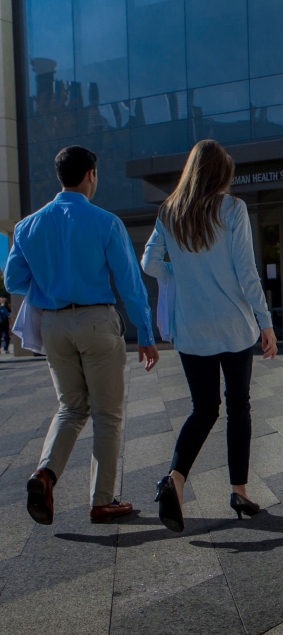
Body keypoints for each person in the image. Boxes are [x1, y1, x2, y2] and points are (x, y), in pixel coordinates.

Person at [5, 145, 160, 525]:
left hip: (54, 327)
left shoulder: (28, 225)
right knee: (107, 414)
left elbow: (12, 279)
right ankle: (102, 500)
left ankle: (45, 473)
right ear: (91, 174)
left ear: (61, 176)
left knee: (71, 407)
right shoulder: (106, 222)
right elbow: (129, 282)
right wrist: (146, 331)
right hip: (95, 323)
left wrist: (49, 279)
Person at [141, 139, 277, 533]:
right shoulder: (233, 210)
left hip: (191, 329)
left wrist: (179, 272)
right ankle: (239, 490)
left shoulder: (170, 213)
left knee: (203, 409)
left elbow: (149, 262)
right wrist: (265, 321)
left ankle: (175, 480)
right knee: (239, 406)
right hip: (234, 327)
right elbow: (246, 273)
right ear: (222, 175)